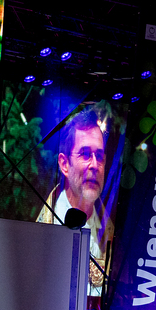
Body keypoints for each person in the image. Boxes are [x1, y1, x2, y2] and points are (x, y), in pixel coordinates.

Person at [37, 108, 114, 296]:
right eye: (85, 154)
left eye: (99, 156)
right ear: (64, 164)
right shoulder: (39, 230)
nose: (94, 165)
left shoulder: (112, 231)